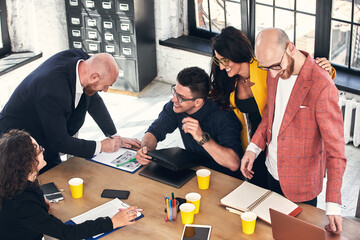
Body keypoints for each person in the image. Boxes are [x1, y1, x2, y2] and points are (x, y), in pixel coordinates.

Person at [240, 28, 346, 234]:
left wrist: (333, 204)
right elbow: (271, 114)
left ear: (290, 48)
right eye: (266, 68)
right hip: (272, 170)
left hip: (301, 183)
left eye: (275, 66)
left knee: (297, 236)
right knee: (271, 232)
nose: (272, 73)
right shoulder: (275, 70)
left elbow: (336, 150)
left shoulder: (322, 85)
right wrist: (253, 148)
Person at [209, 26, 336, 188]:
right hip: (254, 143)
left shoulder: (267, 67)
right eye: (218, 61)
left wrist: (327, 70)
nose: (221, 66)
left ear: (236, 53)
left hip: (278, 141)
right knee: (258, 191)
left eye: (224, 60)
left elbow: (297, 66)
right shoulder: (228, 80)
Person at [0, 49, 141, 172]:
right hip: (18, 140)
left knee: (60, 177)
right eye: (106, 86)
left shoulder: (82, 61)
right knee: (43, 183)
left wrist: (114, 136)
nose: (105, 90)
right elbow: (59, 142)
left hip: (47, 132)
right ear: (94, 77)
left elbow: (93, 100)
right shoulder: (53, 91)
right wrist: (101, 146)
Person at [0, 129, 138, 240]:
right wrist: (113, 222)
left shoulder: (16, 180)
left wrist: (40, 202)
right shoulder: (23, 204)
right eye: (39, 150)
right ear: (28, 163)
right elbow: (67, 233)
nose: (43, 150)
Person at [136, 67, 244, 179]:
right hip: (194, 171)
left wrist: (202, 138)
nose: (174, 99)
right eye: (175, 92)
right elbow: (154, 132)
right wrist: (145, 149)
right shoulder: (175, 107)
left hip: (225, 179)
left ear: (198, 102)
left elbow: (234, 164)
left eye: (181, 97)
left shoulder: (224, 117)